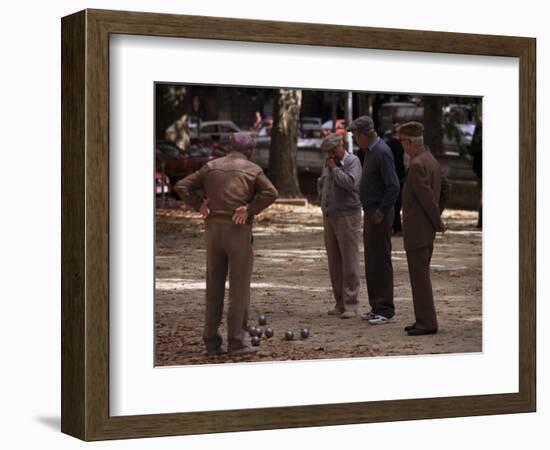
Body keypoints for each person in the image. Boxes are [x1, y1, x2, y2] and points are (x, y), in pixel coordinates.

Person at [174, 132, 278, 355]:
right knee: (238, 289)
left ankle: (211, 341)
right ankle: (236, 341)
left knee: (214, 286)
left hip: (212, 230)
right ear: (249, 151)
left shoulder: (210, 167)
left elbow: (182, 186)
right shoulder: (252, 169)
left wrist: (198, 204)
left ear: (228, 147)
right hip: (237, 229)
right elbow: (271, 192)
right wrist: (249, 208)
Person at [398, 121, 451, 336]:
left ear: (410, 142)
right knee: (420, 277)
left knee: (420, 279)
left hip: (418, 231)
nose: (402, 146)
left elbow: (427, 198)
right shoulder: (430, 159)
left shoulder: (418, 164)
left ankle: (427, 323)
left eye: (402, 142)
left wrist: (437, 220)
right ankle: (422, 319)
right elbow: (446, 188)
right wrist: (438, 213)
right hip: (424, 230)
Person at [349, 116, 400, 325]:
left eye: (355, 136)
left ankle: (385, 308)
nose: (355, 140)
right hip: (371, 211)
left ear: (363, 135)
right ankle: (376, 305)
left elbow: (394, 186)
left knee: (381, 259)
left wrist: (382, 210)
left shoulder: (381, 152)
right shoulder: (370, 152)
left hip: (379, 212)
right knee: (371, 259)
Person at [317, 134, 363, 318]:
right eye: (328, 152)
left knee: (349, 260)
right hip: (330, 215)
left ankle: (351, 304)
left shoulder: (352, 161)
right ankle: (339, 302)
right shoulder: (329, 164)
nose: (331, 154)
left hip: (347, 216)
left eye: (333, 150)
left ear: (341, 146)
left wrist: (334, 169)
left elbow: (351, 183)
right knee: (334, 261)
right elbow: (323, 184)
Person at [386, 124, 406, 234]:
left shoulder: (387, 144)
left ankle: (392, 226)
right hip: (399, 178)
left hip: (390, 177)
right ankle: (397, 227)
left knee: (392, 204)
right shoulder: (401, 145)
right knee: (397, 205)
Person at [471, 117, 482, 228]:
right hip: (480, 169)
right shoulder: (479, 129)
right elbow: (473, 148)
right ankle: (481, 221)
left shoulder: (479, 129)